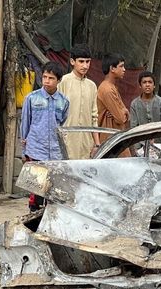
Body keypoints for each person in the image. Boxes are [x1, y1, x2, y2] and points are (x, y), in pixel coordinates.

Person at [20, 61, 69, 211]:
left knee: (51, 188)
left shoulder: (63, 102)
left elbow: (62, 123)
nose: (47, 81)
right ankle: (33, 215)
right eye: (45, 77)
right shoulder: (31, 98)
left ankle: (47, 217)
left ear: (59, 80)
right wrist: (24, 151)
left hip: (55, 151)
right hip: (35, 149)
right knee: (36, 187)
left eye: (51, 78)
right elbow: (25, 124)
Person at [58, 43, 99, 159]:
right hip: (67, 140)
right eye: (81, 61)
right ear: (72, 62)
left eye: (88, 62)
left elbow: (94, 116)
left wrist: (96, 144)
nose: (85, 66)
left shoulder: (92, 86)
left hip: (86, 142)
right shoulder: (63, 82)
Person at [97, 53, 130, 156]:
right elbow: (120, 118)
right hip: (111, 139)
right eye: (121, 66)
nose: (124, 69)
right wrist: (123, 112)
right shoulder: (107, 89)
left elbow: (124, 115)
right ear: (112, 68)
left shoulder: (112, 87)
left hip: (116, 138)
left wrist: (124, 112)